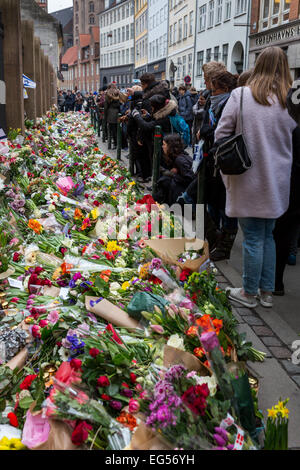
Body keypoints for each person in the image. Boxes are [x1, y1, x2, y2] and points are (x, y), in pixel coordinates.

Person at [214, 46, 297, 309]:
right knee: (268, 235)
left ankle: (249, 292)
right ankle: (267, 292)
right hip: (278, 178)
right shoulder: (291, 101)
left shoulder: (241, 95)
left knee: (251, 235)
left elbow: (221, 135)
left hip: (248, 175)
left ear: (258, 65)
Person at [273, 127, 300, 295]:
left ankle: (275, 282)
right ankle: (276, 282)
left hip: (290, 187)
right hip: (292, 188)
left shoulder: (292, 128)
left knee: (280, 234)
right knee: (286, 233)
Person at [155, 134, 194, 206]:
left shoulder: (180, 160)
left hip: (184, 194)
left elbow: (189, 178)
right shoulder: (176, 156)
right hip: (181, 190)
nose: (162, 147)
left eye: (164, 144)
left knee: (166, 181)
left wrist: (172, 175)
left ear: (170, 147)